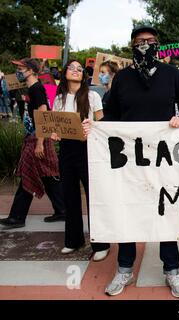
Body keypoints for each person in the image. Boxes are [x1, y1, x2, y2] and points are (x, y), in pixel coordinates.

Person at [82, 25, 179, 297]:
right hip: (129, 158)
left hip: (163, 157)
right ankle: (124, 269)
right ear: (132, 46)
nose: (145, 45)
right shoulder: (122, 78)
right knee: (127, 211)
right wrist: (94, 128)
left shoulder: (171, 74)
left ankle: (172, 270)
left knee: (165, 210)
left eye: (151, 41)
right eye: (140, 41)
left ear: (159, 45)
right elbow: (110, 115)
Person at [51, 60, 110, 261]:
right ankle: (73, 240)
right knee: (70, 196)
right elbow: (55, 125)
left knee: (93, 196)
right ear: (64, 71)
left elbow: (102, 123)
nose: (76, 71)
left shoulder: (92, 96)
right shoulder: (59, 98)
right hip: (66, 149)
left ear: (83, 75)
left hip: (88, 149)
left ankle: (101, 243)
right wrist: (54, 133)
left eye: (79, 69)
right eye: (71, 67)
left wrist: (91, 126)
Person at [0, 58, 66, 229]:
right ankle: (62, 210)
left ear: (30, 70)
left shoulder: (36, 89)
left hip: (37, 138)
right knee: (48, 175)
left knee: (28, 175)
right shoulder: (33, 89)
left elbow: (43, 115)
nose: (18, 72)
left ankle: (17, 217)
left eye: (21, 68)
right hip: (36, 137)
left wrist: (39, 143)